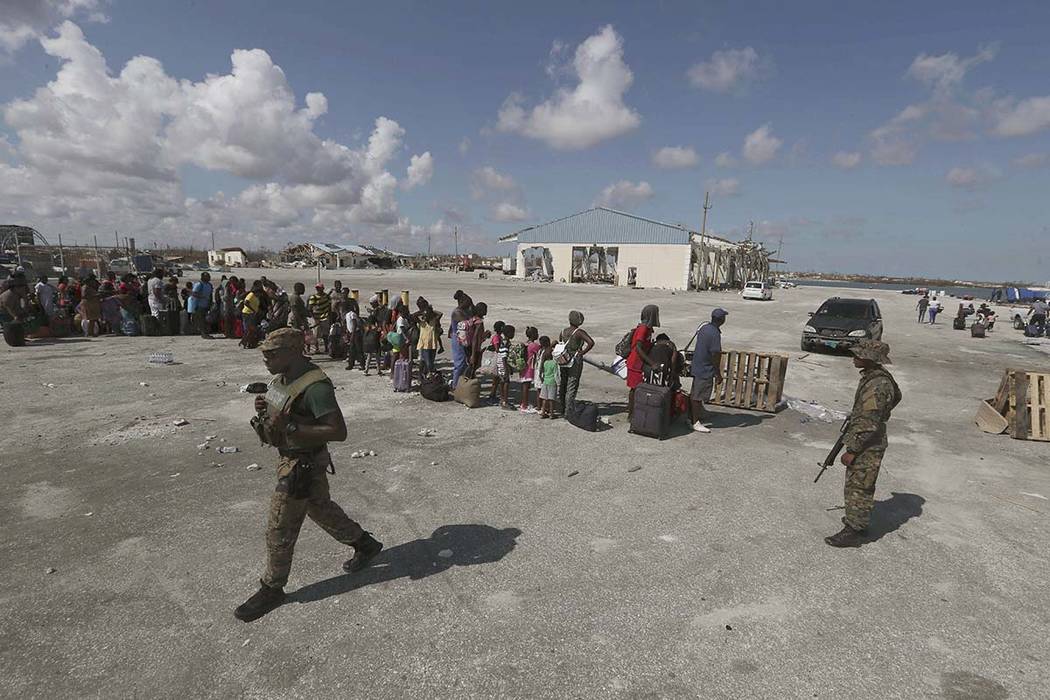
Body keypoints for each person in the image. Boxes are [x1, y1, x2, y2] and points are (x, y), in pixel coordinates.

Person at [234, 328, 382, 622]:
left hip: (302, 466)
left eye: (272, 354)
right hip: (289, 459)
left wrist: (293, 430)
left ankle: (272, 587)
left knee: (279, 527)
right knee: (321, 509)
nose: (266, 359)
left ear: (292, 351)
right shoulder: (281, 380)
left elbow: (338, 431)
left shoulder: (316, 387)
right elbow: (277, 413)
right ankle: (365, 544)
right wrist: (263, 408)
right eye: (264, 354)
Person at [825, 340, 902, 548]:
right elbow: (897, 397)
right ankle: (856, 519)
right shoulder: (875, 377)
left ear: (870, 358)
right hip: (868, 438)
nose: (854, 357)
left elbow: (870, 421)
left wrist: (853, 449)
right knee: (857, 483)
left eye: (859, 354)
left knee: (859, 486)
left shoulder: (877, 384)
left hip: (868, 443)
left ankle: (855, 531)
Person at [689, 308, 727, 433]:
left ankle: (699, 413)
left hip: (697, 364)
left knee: (697, 392)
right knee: (697, 396)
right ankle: (694, 421)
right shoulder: (715, 333)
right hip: (705, 368)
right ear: (721, 320)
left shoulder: (705, 328)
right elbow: (715, 354)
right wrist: (718, 373)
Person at [557, 310, 595, 418]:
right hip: (575, 360)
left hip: (564, 359)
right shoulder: (579, 332)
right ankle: (568, 411)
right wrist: (582, 352)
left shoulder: (563, 331)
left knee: (563, 384)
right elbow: (591, 342)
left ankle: (561, 407)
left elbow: (561, 343)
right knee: (572, 385)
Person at [625, 305, 659, 421]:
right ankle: (631, 414)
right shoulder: (643, 328)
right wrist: (652, 363)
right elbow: (639, 348)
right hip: (635, 363)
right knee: (634, 389)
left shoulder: (648, 329)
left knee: (639, 388)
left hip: (641, 362)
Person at [448, 290, 473, 388]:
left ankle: (461, 385)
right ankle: (455, 386)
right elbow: (468, 323)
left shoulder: (462, 311)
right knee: (459, 363)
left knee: (464, 363)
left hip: (463, 337)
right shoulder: (457, 312)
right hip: (458, 338)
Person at [414, 297, 442, 376]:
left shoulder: (434, 321)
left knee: (431, 361)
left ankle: (425, 375)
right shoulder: (422, 322)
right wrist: (422, 311)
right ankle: (427, 374)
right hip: (425, 344)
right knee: (427, 362)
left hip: (433, 344)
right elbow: (413, 316)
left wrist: (430, 310)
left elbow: (440, 314)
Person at [519, 326, 541, 413]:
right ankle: (524, 406)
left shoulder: (526, 344)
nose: (538, 335)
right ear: (533, 335)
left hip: (524, 368)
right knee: (526, 386)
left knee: (525, 386)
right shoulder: (534, 346)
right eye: (536, 333)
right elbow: (540, 350)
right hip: (529, 369)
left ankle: (524, 404)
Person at [308, 284, 332, 354]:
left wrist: (329, 316)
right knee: (315, 334)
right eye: (317, 288)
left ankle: (326, 348)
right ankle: (316, 348)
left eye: (320, 288)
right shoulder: (313, 297)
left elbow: (329, 306)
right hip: (316, 318)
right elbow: (310, 308)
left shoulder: (327, 296)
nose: (318, 290)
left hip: (325, 317)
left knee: (325, 334)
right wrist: (314, 318)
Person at [538, 336, 558, 419]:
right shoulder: (554, 363)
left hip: (545, 382)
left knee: (544, 399)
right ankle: (551, 414)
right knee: (551, 400)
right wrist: (559, 383)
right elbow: (556, 374)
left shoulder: (545, 363)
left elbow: (542, 372)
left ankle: (543, 412)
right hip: (552, 382)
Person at [189, 272, 213, 339]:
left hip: (206, 305)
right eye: (207, 276)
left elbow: (210, 294)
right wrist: (202, 296)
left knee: (206, 320)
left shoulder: (209, 285)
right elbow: (193, 293)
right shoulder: (199, 284)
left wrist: (210, 302)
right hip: (199, 305)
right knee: (201, 320)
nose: (209, 277)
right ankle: (203, 334)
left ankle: (205, 333)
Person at [496, 324, 515, 408]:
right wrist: (506, 368)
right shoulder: (506, 342)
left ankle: (502, 399)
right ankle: (505, 401)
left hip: (501, 364)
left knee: (502, 382)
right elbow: (504, 356)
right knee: (506, 382)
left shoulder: (504, 341)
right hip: (503, 365)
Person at [344, 299, 365, 371]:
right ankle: (351, 364)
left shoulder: (352, 314)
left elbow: (354, 324)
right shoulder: (347, 314)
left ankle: (362, 364)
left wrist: (352, 335)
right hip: (351, 333)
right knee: (351, 349)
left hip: (356, 333)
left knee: (359, 349)